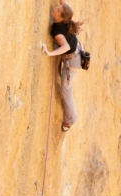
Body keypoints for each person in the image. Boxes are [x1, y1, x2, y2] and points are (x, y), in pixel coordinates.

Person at [41, 0, 85, 132]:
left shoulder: (58, 31)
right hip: (76, 51)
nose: (55, 8)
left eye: (58, 10)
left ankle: (70, 119)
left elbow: (65, 46)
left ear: (60, 17)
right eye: (57, 7)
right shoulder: (65, 18)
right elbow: (64, 5)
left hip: (73, 61)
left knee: (66, 90)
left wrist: (50, 53)